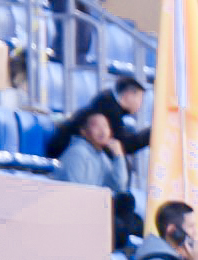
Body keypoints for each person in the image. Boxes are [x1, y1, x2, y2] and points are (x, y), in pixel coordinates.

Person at [54, 104, 139, 252]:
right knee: (121, 225)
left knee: (127, 201)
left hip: (97, 211)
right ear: (83, 131)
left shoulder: (101, 155)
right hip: (79, 215)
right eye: (96, 126)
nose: (103, 131)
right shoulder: (77, 153)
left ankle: (120, 248)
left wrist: (119, 156)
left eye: (106, 126)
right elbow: (73, 195)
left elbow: (119, 187)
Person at [42, 75, 151, 161]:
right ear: (128, 95)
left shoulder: (107, 103)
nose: (141, 104)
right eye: (140, 98)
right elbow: (123, 146)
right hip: (68, 156)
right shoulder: (109, 109)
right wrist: (152, 133)